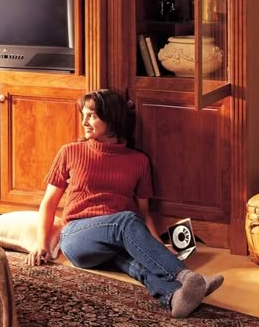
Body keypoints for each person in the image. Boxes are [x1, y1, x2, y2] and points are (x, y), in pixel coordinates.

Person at [27, 89, 224, 318]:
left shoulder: (138, 161)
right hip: (77, 237)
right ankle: (188, 277)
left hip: (118, 239)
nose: (84, 122)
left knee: (138, 266)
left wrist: (158, 247)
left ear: (111, 119)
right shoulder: (70, 152)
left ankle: (175, 298)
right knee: (125, 220)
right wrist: (41, 244)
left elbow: (144, 212)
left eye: (92, 116)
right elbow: (49, 203)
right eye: (83, 114)